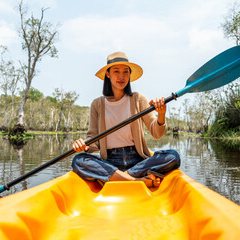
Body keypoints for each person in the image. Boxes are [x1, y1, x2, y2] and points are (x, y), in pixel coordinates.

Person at [71, 52, 180, 188]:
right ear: (108, 74)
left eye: (125, 72)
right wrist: (83, 145)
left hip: (137, 161)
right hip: (109, 161)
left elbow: (157, 134)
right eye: (116, 71)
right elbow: (93, 142)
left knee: (173, 156)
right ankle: (136, 181)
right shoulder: (97, 104)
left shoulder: (138, 99)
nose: (121, 76)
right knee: (78, 160)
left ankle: (116, 178)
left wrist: (161, 114)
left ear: (129, 75)